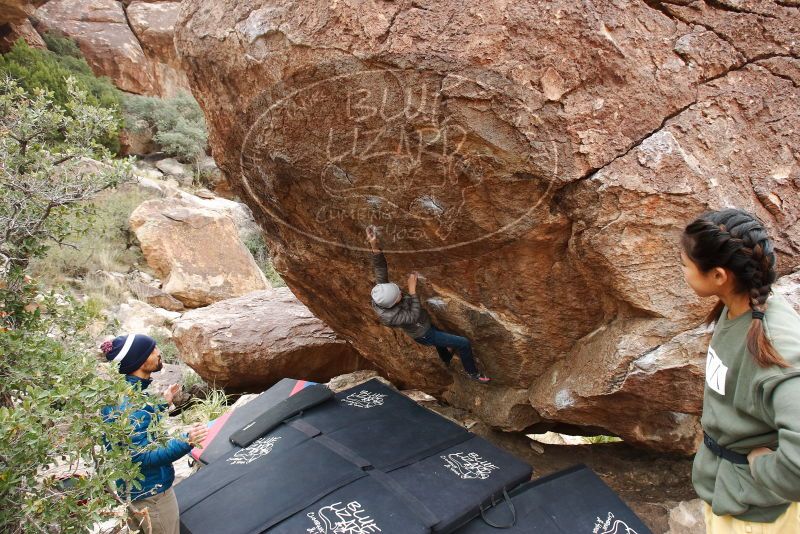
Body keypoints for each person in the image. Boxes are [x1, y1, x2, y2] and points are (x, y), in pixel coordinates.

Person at [680, 208, 800, 533]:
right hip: (726, 493)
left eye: (686, 265)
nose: (683, 272)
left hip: (755, 516)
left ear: (719, 275)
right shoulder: (739, 310)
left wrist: (763, 466)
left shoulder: (776, 345)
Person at [100, 333, 208, 534]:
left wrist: (162, 403)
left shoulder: (125, 394)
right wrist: (187, 441)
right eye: (152, 350)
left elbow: (138, 425)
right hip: (152, 496)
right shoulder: (130, 405)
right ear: (139, 361)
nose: (158, 353)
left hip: (135, 492)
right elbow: (141, 456)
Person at [366, 226, 490, 383]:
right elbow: (413, 315)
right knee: (463, 343)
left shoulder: (381, 293)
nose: (400, 293)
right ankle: (473, 374)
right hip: (424, 334)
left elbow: (379, 267)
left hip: (425, 325)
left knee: (441, 342)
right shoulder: (389, 317)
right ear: (391, 305)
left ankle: (446, 357)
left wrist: (373, 244)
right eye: (399, 296)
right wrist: (412, 290)